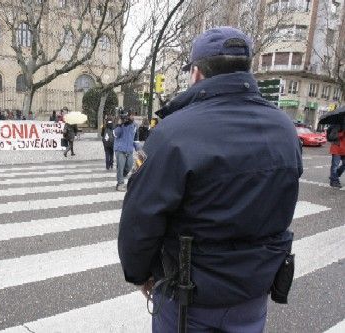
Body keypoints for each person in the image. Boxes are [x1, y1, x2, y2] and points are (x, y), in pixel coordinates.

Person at [118, 27, 302, 333]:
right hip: (253, 290)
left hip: (189, 295)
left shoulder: (174, 132)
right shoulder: (284, 128)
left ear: (197, 73)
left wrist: (139, 274)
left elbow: (140, 218)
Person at [114, 109, 137, 191]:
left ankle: (120, 177)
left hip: (129, 150)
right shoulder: (120, 124)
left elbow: (135, 138)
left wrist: (139, 148)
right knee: (120, 167)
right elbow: (116, 134)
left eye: (133, 115)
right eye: (131, 115)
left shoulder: (134, 125)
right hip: (120, 149)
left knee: (129, 166)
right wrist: (119, 125)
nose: (132, 117)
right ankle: (120, 183)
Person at [328, 119, 345, 188]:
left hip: (344, 149)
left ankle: (334, 175)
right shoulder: (336, 125)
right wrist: (342, 132)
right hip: (336, 148)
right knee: (335, 166)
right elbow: (332, 136)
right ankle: (334, 181)